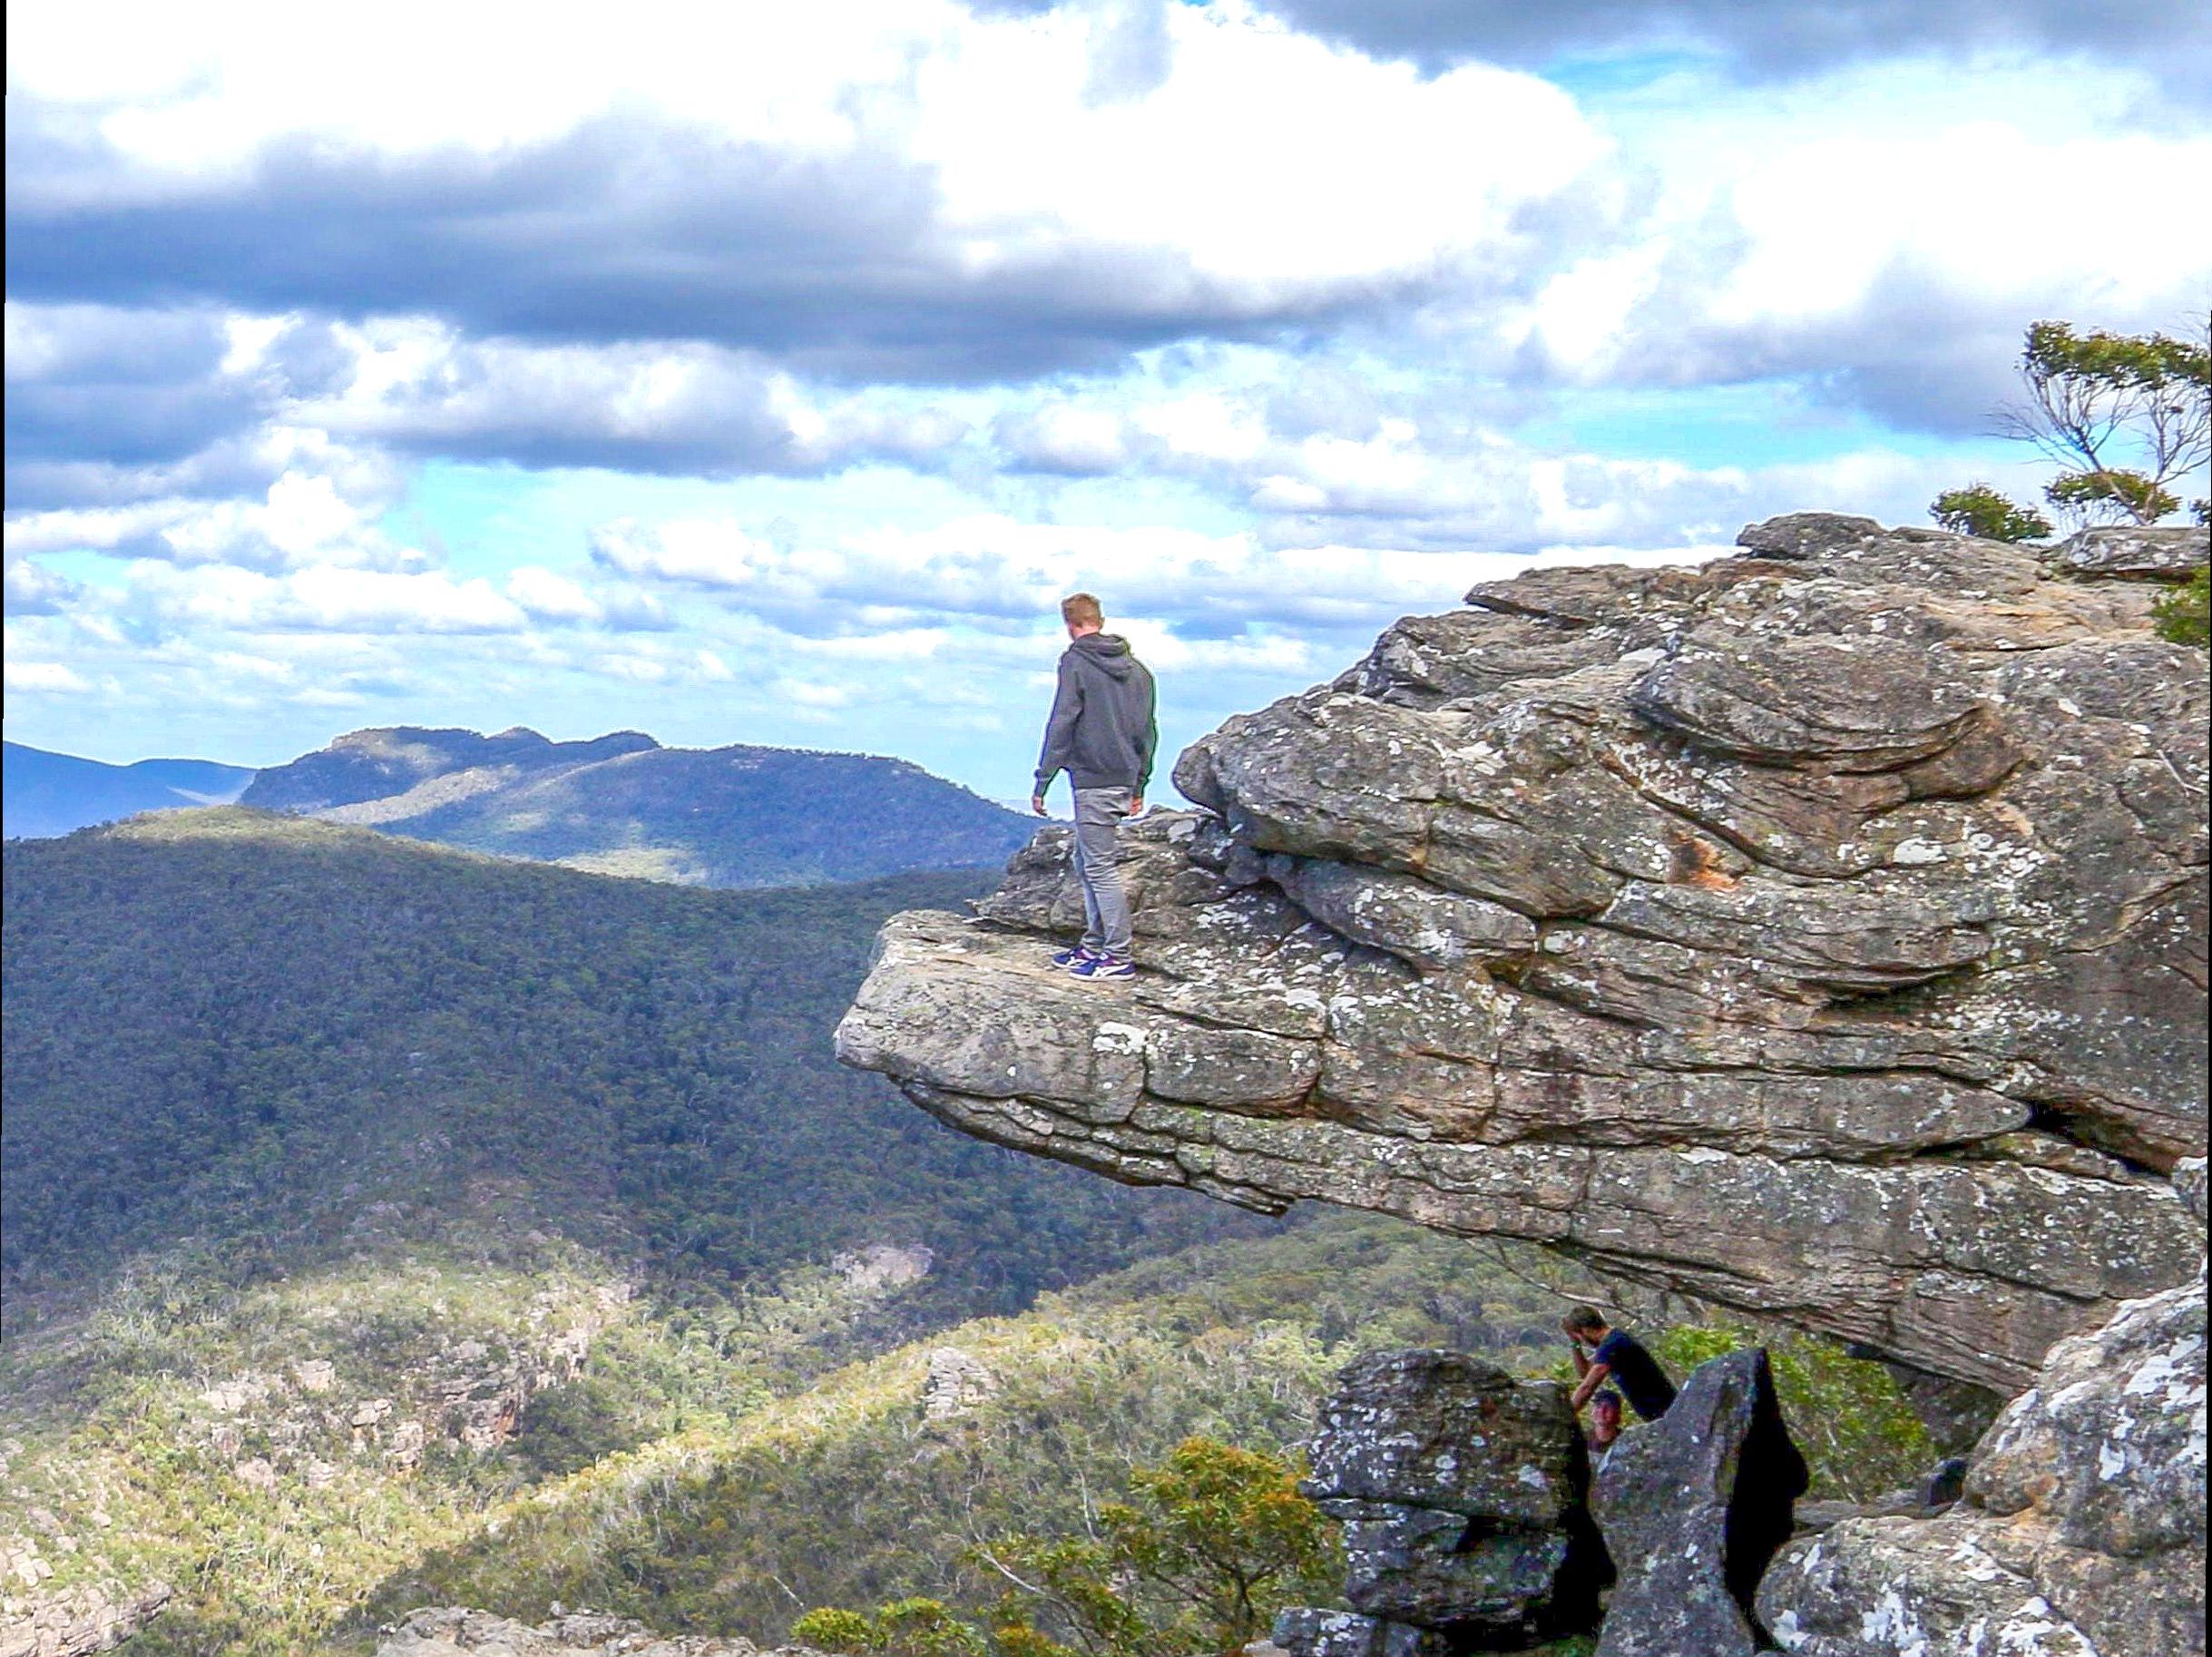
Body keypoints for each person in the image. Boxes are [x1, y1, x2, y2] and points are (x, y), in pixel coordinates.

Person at [1032, 593, 1157, 982]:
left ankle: (1117, 955)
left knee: (1099, 868)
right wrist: (1140, 783)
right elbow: (1147, 731)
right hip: (1122, 775)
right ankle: (1094, 944)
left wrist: (1044, 778)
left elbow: (1063, 720)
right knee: (1088, 862)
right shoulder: (1139, 671)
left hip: (1092, 778)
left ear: (1070, 625)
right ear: (1099, 620)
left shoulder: (1075, 662)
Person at [1563, 1305, 1677, 1423]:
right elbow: (1585, 1372)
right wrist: (1575, 1343)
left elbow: (1587, 1388)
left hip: (1664, 1411)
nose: (1583, 1341)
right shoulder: (1613, 1342)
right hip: (1660, 1412)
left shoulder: (1612, 1345)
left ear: (1586, 1330)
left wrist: (1564, 1416)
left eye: (1580, 1337)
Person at [1588, 1389, 1626, 1470]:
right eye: (1598, 1406)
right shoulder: (1580, 1439)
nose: (1602, 1411)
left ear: (1618, 1413)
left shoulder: (1626, 1441)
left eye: (1608, 1406)